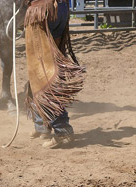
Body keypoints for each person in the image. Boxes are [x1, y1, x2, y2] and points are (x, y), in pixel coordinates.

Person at [25, 0, 84, 148]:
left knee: (43, 72)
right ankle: (42, 125)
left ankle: (62, 129)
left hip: (41, 11)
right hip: (61, 8)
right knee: (45, 69)